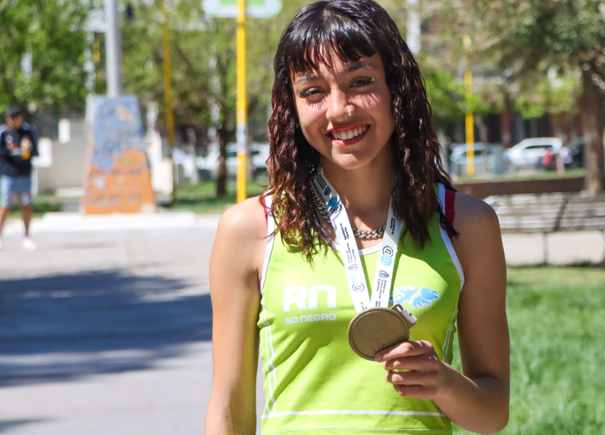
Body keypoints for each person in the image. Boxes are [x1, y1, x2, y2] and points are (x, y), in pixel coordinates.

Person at [206, 1, 509, 434]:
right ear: (291, 106)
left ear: (396, 88)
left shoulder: (466, 223)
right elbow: (228, 410)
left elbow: (493, 413)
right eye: (313, 91)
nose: (339, 109)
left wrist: (443, 383)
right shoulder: (251, 228)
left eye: (360, 82)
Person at [0, 106, 38, 251]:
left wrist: (29, 149)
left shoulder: (28, 131)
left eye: (15, 118)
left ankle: (27, 236)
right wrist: (9, 149)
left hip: (25, 173)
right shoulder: (3, 131)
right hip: (8, 174)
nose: (12, 121)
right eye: (10, 118)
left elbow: (36, 151)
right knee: (5, 204)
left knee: (27, 204)